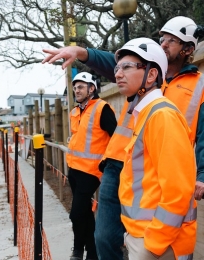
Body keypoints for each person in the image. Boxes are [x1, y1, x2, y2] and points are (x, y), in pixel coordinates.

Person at [42, 16, 204, 259]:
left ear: (188, 49)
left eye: (171, 41)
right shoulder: (141, 74)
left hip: (155, 171)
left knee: (148, 232)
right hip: (120, 162)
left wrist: (201, 174)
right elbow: (116, 62)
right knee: (106, 237)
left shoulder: (195, 88)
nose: (163, 44)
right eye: (162, 39)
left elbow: (200, 140)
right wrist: (81, 52)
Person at [116, 37, 197, 260]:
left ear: (151, 75)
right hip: (143, 236)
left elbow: (178, 190)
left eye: (127, 66)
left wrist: (153, 245)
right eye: (117, 67)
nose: (118, 74)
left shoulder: (162, 116)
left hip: (157, 243)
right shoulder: (145, 114)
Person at [66, 72, 117, 260]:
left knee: (76, 214)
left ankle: (79, 249)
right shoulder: (75, 111)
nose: (76, 90)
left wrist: (106, 161)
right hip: (74, 169)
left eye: (80, 87)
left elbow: (116, 138)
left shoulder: (102, 108)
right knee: (85, 213)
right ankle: (92, 253)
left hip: (91, 171)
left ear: (91, 88)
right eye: (75, 87)